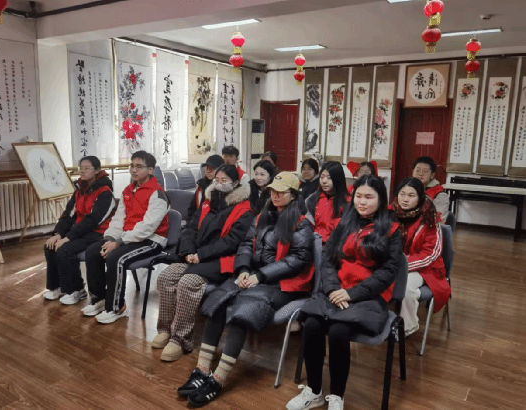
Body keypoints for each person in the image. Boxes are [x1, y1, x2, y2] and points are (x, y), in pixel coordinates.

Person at [177, 172, 314, 407]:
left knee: (242, 314)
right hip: (252, 275)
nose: (275, 195)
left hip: (282, 284)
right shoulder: (262, 216)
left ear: (293, 195)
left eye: (281, 192)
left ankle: (218, 378)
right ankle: (202, 369)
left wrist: (260, 276)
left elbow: (296, 261)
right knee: (218, 303)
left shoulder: (302, 224)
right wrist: (242, 269)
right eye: (273, 191)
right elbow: (246, 244)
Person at [287, 175, 402, 410]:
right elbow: (328, 259)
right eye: (358, 196)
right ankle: (314, 391)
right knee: (312, 325)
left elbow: (388, 272)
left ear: (381, 200)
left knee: (339, 330)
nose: (362, 202)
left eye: (369, 197)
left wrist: (352, 293)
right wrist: (333, 288)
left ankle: (337, 396)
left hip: (367, 295)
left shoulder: (392, 230)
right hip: (336, 290)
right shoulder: (344, 223)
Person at [153, 164, 253, 362]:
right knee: (166, 277)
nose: (219, 184)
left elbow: (232, 242)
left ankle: (181, 339)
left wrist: (201, 255)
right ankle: (165, 329)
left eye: (224, 181)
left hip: (222, 261)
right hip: (197, 256)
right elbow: (191, 228)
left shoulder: (244, 210)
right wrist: (188, 251)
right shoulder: (207, 202)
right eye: (217, 180)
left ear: (235, 184)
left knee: (187, 282)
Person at [84, 151, 170, 324]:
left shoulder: (158, 193)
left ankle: (117, 307)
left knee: (116, 258)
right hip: (128, 237)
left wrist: (119, 242)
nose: (134, 170)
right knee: (93, 252)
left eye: (139, 166)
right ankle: (100, 299)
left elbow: (147, 227)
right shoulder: (128, 190)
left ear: (150, 170)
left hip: (151, 240)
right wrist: (110, 238)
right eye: (132, 165)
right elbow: (119, 219)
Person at [44, 156, 115, 304]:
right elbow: (68, 215)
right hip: (81, 231)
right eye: (81, 168)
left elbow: (93, 221)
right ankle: (57, 286)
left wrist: (68, 237)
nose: (82, 171)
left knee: (65, 249)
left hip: (98, 233)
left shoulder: (105, 192)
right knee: (50, 246)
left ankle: (77, 290)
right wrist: (58, 234)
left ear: (97, 170)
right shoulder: (80, 191)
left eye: (87, 168)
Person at [392, 177, 451, 336]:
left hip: (426, 269)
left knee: (405, 287)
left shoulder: (429, 218)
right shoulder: (391, 213)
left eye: (411, 195)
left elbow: (431, 254)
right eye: (402, 194)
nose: (405, 199)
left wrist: (402, 266)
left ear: (420, 197)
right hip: (396, 264)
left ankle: (407, 327)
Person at [304, 161, 348, 244]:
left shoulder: (347, 202)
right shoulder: (312, 199)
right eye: (322, 177)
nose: (324, 181)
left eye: (329, 178)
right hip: (314, 243)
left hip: (335, 246)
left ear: (338, 179)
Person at [187, 154, 224, 223]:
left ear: (221, 169)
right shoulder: (201, 185)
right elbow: (192, 209)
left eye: (212, 168)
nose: (208, 171)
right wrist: (190, 224)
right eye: (207, 168)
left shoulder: (223, 188)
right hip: (196, 224)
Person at [412, 156, 450, 223]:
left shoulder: (440, 195)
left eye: (425, 171)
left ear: (432, 175)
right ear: (413, 172)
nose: (420, 174)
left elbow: (438, 220)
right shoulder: (407, 188)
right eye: (417, 170)